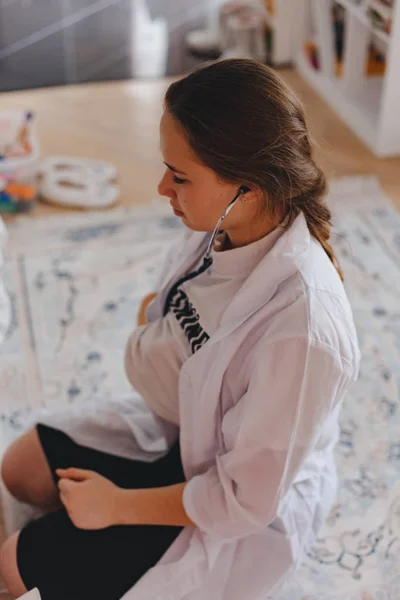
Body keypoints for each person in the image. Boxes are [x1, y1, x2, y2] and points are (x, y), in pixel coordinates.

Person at [0, 59, 360, 600]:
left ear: (250, 188)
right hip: (182, 433)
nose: (162, 186)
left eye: (181, 176)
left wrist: (117, 507)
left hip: (230, 502)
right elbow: (169, 308)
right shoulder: (222, 226)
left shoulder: (302, 334)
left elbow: (243, 500)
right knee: (19, 469)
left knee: (11, 568)